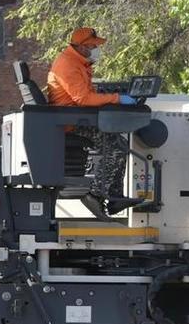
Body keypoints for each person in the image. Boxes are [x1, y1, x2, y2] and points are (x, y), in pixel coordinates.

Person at [47, 27, 141, 215]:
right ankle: (95, 195)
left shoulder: (77, 62)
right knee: (115, 149)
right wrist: (117, 98)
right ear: (81, 47)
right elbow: (83, 99)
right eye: (93, 46)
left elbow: (86, 95)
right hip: (71, 122)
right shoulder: (68, 65)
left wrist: (109, 96)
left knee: (120, 144)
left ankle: (115, 197)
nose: (96, 50)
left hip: (78, 117)